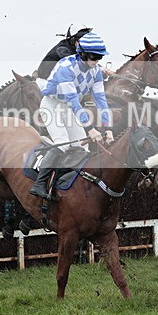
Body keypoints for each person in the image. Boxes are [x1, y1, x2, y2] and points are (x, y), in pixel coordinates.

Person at [29, 31, 114, 202]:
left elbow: (101, 100)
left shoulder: (96, 72)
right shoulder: (65, 67)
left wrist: (108, 128)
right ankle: (39, 183)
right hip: (51, 106)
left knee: (82, 149)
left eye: (100, 57)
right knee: (62, 144)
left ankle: (66, 184)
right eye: (94, 56)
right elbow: (74, 101)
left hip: (68, 108)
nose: (97, 61)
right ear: (82, 53)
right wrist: (90, 129)